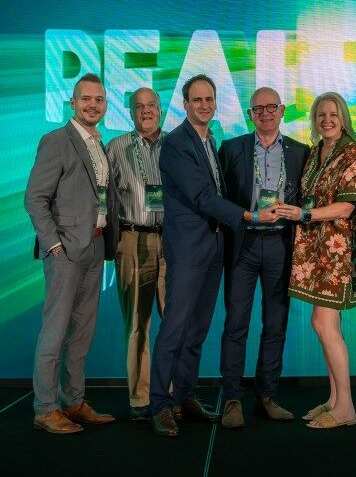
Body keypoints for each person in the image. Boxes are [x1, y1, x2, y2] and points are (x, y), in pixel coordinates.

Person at [149, 74, 278, 436]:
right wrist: (249, 216)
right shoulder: (176, 143)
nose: (204, 105)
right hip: (188, 249)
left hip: (214, 247)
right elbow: (202, 197)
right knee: (175, 328)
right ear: (185, 104)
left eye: (209, 99)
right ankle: (160, 404)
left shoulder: (210, 140)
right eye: (197, 100)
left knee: (198, 329)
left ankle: (185, 397)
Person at [24, 73, 118, 434]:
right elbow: (35, 198)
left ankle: (73, 401)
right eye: (86, 99)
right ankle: (46, 409)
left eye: (99, 99)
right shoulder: (56, 141)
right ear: (72, 103)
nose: (93, 105)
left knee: (82, 331)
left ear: (105, 105)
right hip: (64, 250)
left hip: (95, 245)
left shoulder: (99, 143)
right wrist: (53, 245)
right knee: (56, 331)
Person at [275, 92, 356, 429]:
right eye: (321, 115)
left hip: (337, 252)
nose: (327, 120)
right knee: (328, 325)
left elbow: (346, 207)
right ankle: (334, 399)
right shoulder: (316, 152)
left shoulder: (355, 154)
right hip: (314, 250)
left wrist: (304, 214)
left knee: (323, 323)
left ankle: (346, 407)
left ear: (344, 117)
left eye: (333, 114)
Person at [217, 87, 309, 428]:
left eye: (272, 107)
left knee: (275, 324)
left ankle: (267, 396)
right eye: (258, 108)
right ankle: (231, 399)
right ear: (250, 114)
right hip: (243, 243)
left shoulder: (301, 152)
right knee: (236, 323)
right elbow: (220, 198)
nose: (266, 113)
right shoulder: (231, 149)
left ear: (282, 110)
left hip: (281, 245)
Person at [106, 88, 167, 421]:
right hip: (132, 239)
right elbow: (101, 194)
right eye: (139, 106)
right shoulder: (116, 147)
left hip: (172, 243)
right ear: (130, 113)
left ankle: (171, 395)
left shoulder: (176, 145)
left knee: (175, 323)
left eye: (151, 105)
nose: (146, 111)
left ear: (160, 109)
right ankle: (141, 399)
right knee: (136, 324)